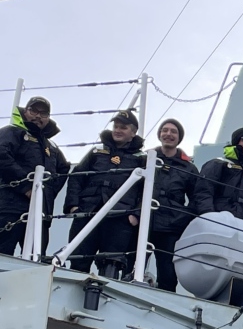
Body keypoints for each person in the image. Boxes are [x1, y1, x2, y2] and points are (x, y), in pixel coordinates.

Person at [64, 110, 147, 277]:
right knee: (79, 258)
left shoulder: (141, 159)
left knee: (111, 263)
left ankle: (104, 300)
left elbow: (147, 191)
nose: (117, 130)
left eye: (123, 127)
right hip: (88, 211)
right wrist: (73, 206)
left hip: (119, 217)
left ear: (133, 132)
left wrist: (136, 214)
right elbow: (77, 177)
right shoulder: (96, 152)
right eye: (116, 126)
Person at [0, 96, 70, 257]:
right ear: (26, 111)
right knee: (3, 254)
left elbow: (63, 169)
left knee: (35, 257)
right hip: (9, 207)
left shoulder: (50, 145)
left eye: (44, 113)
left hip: (40, 211)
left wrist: (46, 193)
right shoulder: (12, 132)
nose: (38, 116)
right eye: (34, 111)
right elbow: (2, 155)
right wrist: (26, 186)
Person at [149, 118, 199, 292]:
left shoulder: (189, 168)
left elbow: (196, 198)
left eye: (173, 131)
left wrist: (183, 218)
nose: (168, 134)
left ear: (179, 138)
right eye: (165, 130)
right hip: (144, 220)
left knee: (168, 273)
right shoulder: (146, 160)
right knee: (131, 266)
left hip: (171, 225)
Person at [194, 127, 243, 226]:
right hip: (220, 221)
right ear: (236, 141)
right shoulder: (217, 164)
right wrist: (208, 217)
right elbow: (204, 191)